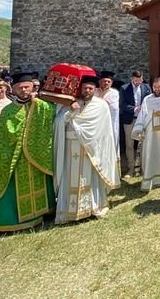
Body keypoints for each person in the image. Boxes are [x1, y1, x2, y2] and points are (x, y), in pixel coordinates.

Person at [0, 73, 56, 232]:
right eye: (20, 87)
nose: (24, 90)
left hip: (36, 157)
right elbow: (5, 137)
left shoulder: (42, 106)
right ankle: (14, 219)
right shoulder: (8, 111)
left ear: (32, 87)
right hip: (16, 159)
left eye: (27, 87)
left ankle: (44, 211)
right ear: (14, 89)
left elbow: (54, 116)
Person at [54, 75, 119, 224]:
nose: (87, 90)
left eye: (90, 88)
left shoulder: (101, 105)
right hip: (70, 149)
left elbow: (104, 131)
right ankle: (68, 212)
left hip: (90, 150)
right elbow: (58, 124)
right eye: (85, 88)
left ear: (95, 89)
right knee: (70, 179)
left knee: (89, 179)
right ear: (80, 89)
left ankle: (93, 208)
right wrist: (70, 111)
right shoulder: (70, 103)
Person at [119, 71, 151, 177]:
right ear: (132, 78)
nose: (138, 82)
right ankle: (131, 168)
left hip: (143, 120)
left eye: (140, 80)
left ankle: (142, 167)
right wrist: (134, 109)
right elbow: (122, 104)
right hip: (129, 119)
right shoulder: (124, 88)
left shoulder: (146, 88)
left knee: (143, 143)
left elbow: (150, 101)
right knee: (129, 145)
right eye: (136, 80)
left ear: (142, 79)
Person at [96, 71, 121, 159]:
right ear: (100, 82)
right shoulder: (95, 91)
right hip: (97, 123)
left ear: (111, 83)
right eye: (104, 81)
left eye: (108, 81)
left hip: (110, 123)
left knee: (111, 145)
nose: (106, 83)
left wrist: (100, 98)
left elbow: (108, 106)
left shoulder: (114, 93)